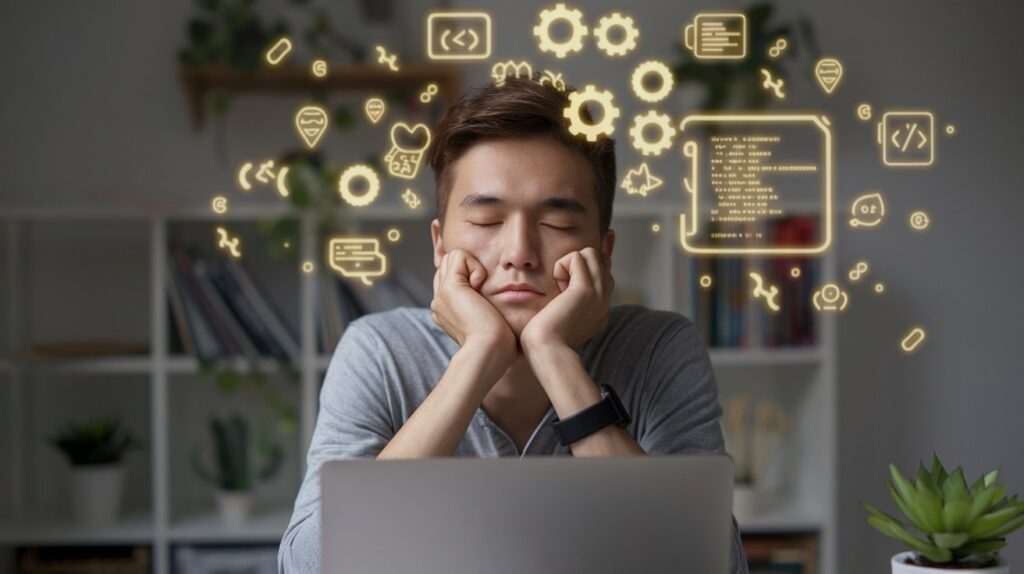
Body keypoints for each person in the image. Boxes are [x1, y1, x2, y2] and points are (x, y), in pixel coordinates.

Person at [278, 77, 749, 574]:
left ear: (604, 255)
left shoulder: (659, 348)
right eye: (486, 222)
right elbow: (309, 565)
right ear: (440, 246)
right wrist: (478, 355)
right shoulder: (378, 351)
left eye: (558, 225)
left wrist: (554, 355)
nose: (519, 255)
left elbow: (714, 565)